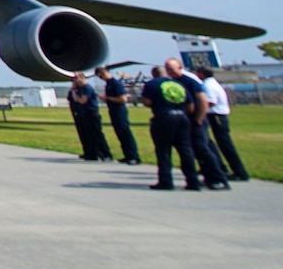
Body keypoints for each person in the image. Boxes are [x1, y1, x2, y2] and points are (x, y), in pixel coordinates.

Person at [166, 57, 230, 190]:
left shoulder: (190, 81)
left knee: (203, 149)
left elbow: (203, 101)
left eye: (171, 69)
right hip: (186, 121)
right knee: (196, 151)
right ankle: (208, 177)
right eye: (167, 69)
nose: (169, 71)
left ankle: (219, 178)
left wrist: (199, 120)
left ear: (179, 67)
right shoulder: (174, 82)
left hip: (196, 120)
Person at [141, 63, 202, 191]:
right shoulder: (179, 84)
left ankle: (166, 181)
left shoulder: (152, 84)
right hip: (182, 117)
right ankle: (193, 181)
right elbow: (190, 106)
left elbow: (146, 101)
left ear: (153, 75)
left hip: (164, 117)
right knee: (185, 150)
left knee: (163, 150)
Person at [197, 66, 250, 181]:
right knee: (209, 142)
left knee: (225, 145)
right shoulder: (211, 83)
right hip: (216, 116)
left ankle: (240, 172)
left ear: (202, 74)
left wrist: (198, 110)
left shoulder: (208, 85)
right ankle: (219, 166)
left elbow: (210, 102)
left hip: (216, 116)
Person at [99, 65, 143, 164]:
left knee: (125, 133)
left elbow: (123, 99)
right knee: (120, 134)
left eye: (101, 76)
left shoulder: (115, 83)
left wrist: (108, 98)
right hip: (113, 110)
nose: (101, 79)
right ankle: (127, 155)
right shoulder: (108, 84)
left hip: (119, 110)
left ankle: (134, 156)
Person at [66, 71, 112, 161]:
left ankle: (106, 154)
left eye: (75, 78)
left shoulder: (87, 88)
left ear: (82, 78)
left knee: (97, 134)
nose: (74, 80)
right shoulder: (80, 88)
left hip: (91, 113)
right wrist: (73, 90)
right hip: (83, 114)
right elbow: (72, 99)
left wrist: (76, 95)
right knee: (87, 135)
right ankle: (91, 153)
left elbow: (82, 100)